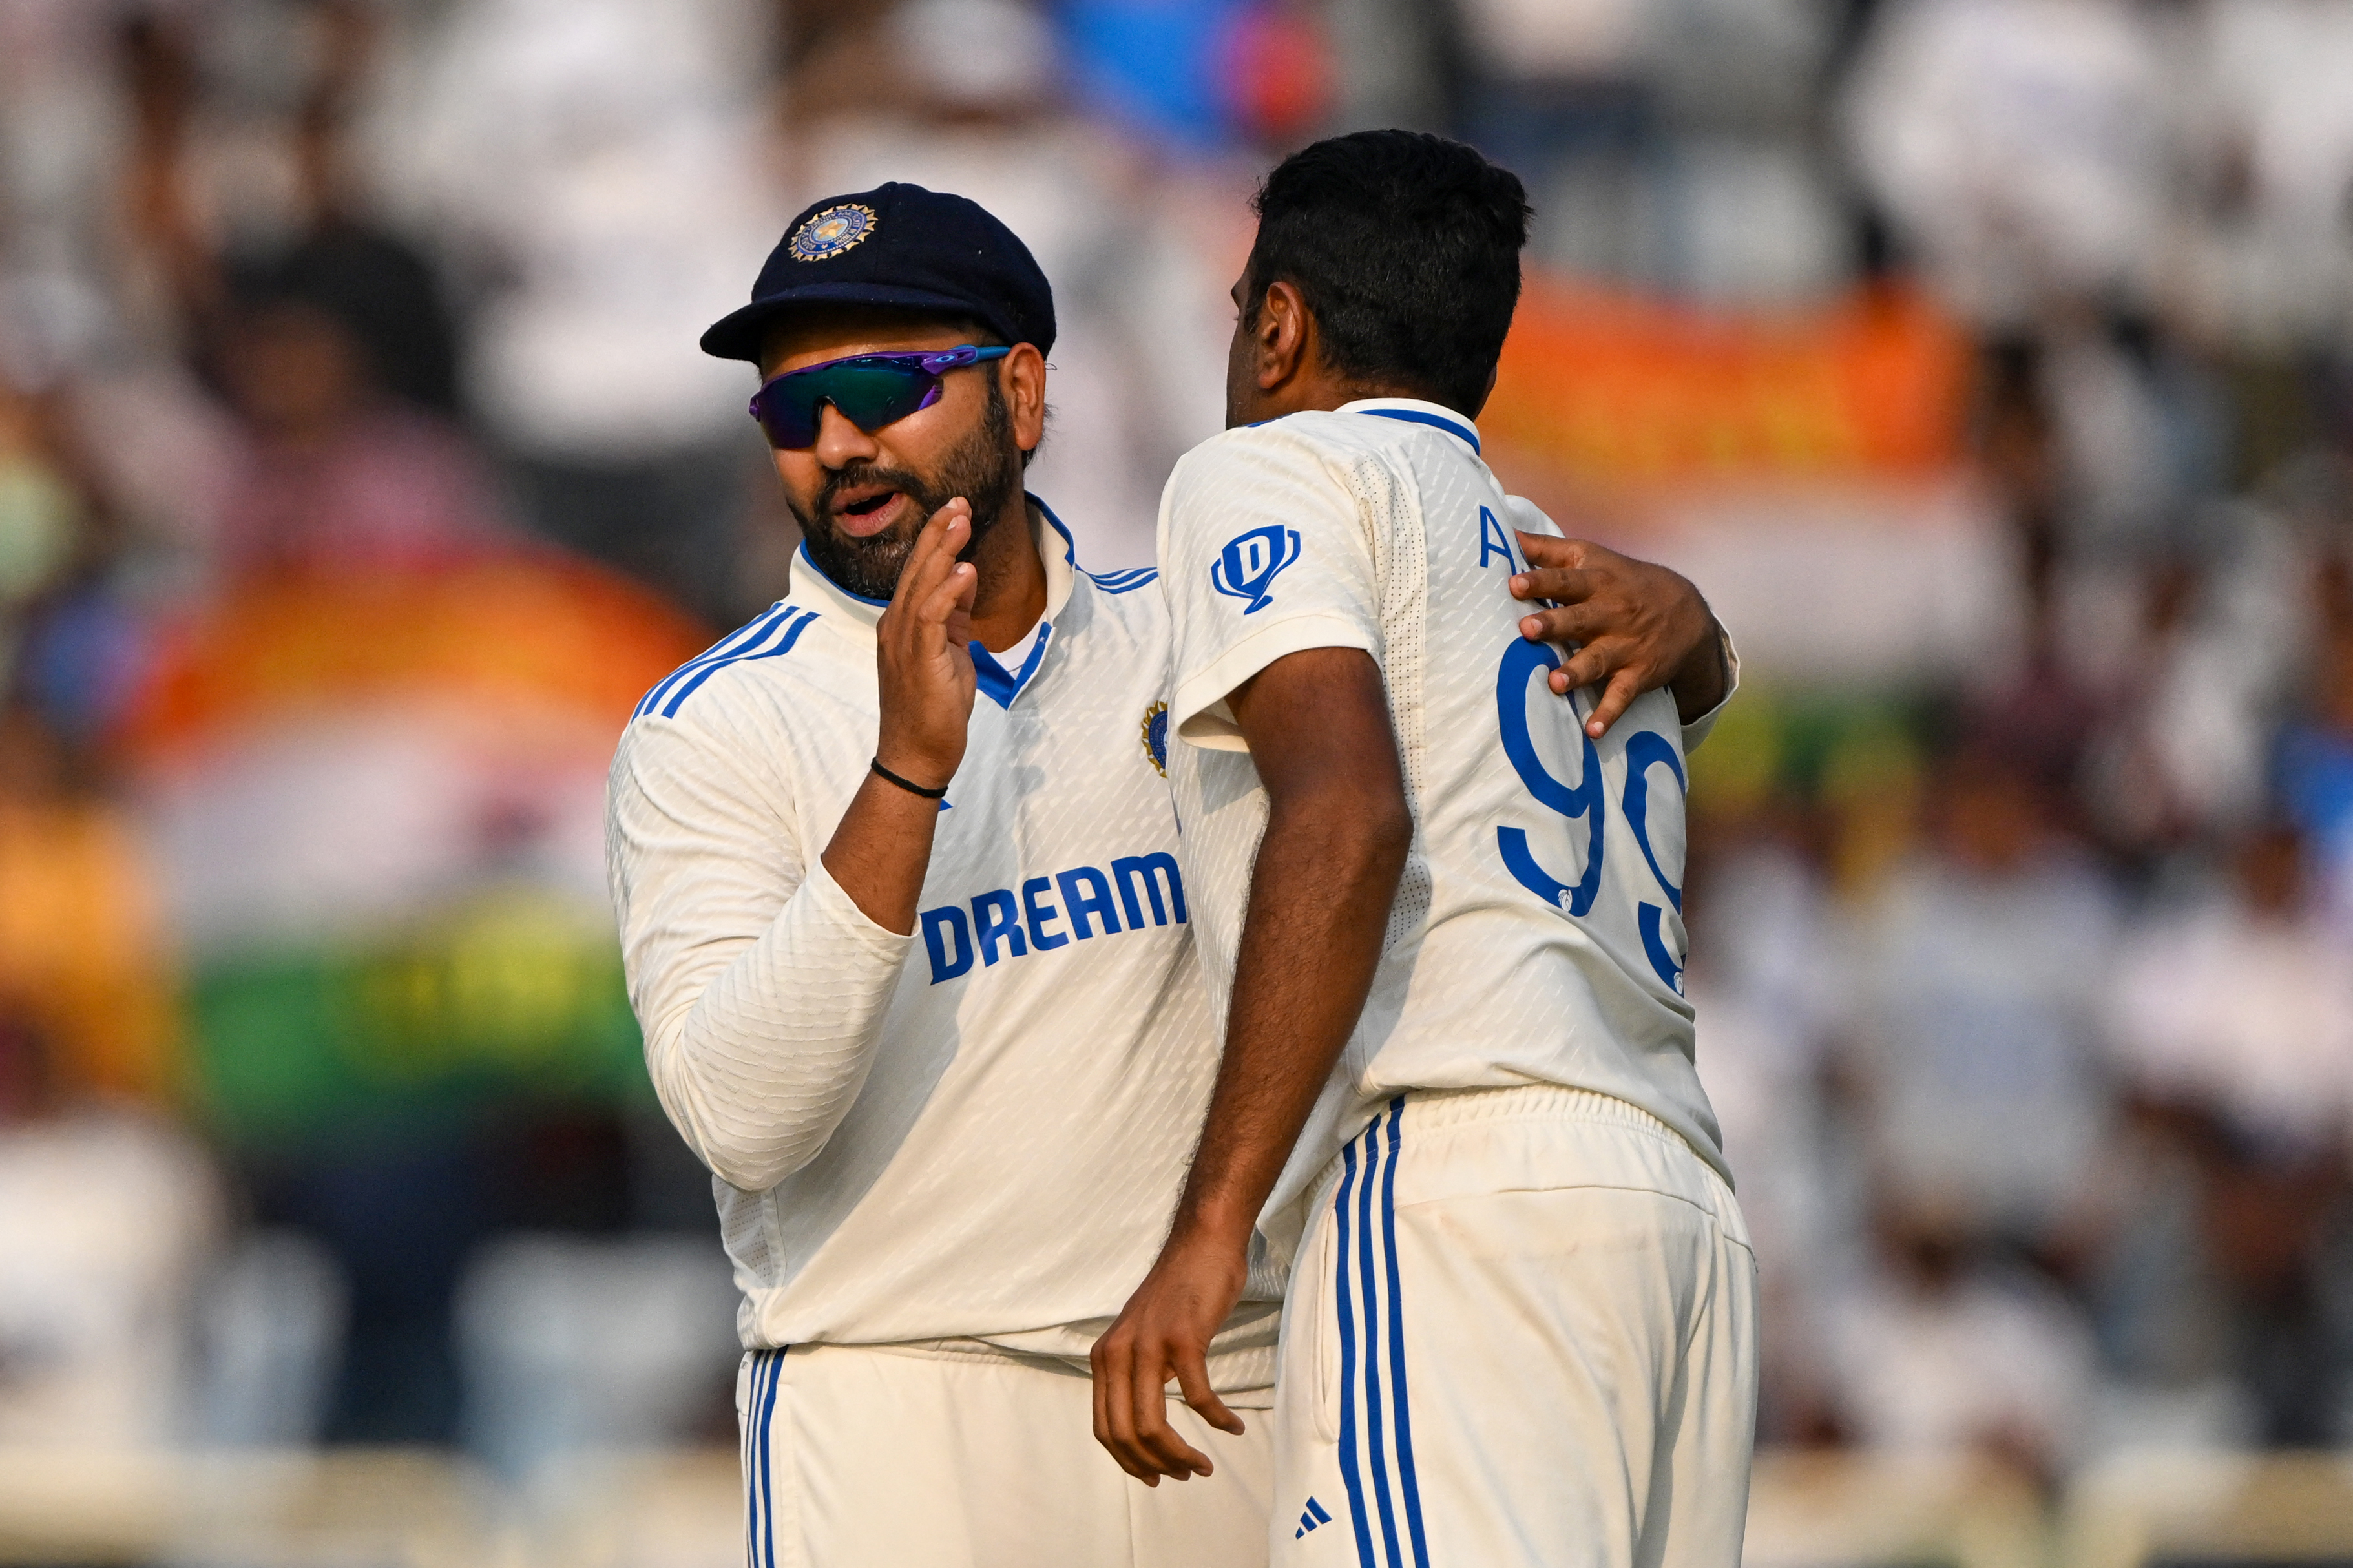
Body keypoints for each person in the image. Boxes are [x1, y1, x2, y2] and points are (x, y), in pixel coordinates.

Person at [607, 181, 1728, 1567]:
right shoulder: (713, 720)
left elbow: (1488, 711)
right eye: (791, 410)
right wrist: (906, 772)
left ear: (1023, 395)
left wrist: (1694, 624)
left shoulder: (1197, 631)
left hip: (1221, 1379)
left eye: (888, 383)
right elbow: (741, 1113)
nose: (838, 442)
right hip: (900, 1387)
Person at [1091, 131, 1756, 1568]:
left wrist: (1213, 1224)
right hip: (1677, 1206)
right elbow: (1679, 681)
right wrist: (1706, 636)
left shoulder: (1270, 471)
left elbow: (1349, 810)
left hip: (1461, 1172)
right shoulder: (1569, 559)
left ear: (1281, 325)